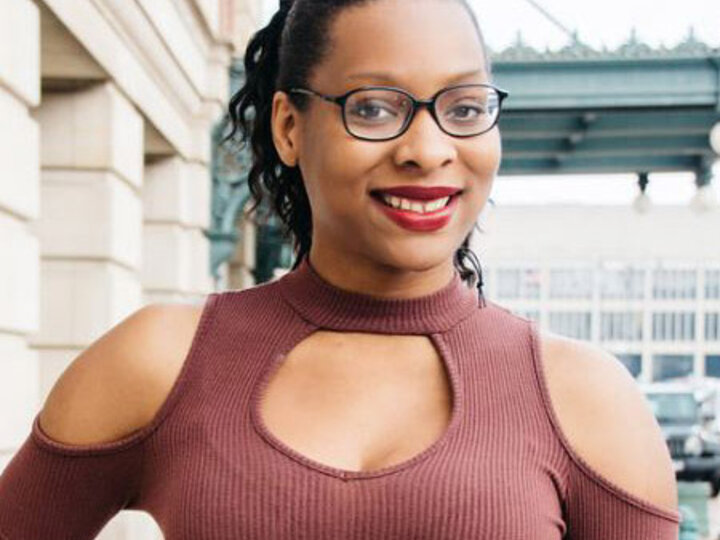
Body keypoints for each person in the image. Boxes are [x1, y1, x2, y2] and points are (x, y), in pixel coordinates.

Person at [0, 0, 681, 538]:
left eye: (465, 108)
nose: (428, 149)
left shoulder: (588, 400)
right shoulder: (157, 361)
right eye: (375, 108)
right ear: (289, 127)